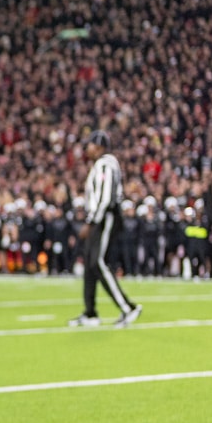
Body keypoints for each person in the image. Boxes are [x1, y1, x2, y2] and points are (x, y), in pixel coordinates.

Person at [68, 130, 143, 328]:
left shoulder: (105, 164)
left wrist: (91, 222)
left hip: (105, 217)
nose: (87, 148)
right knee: (90, 265)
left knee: (98, 262)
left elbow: (105, 197)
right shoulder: (101, 164)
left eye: (90, 145)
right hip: (100, 218)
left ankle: (128, 307)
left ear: (99, 146)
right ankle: (90, 312)